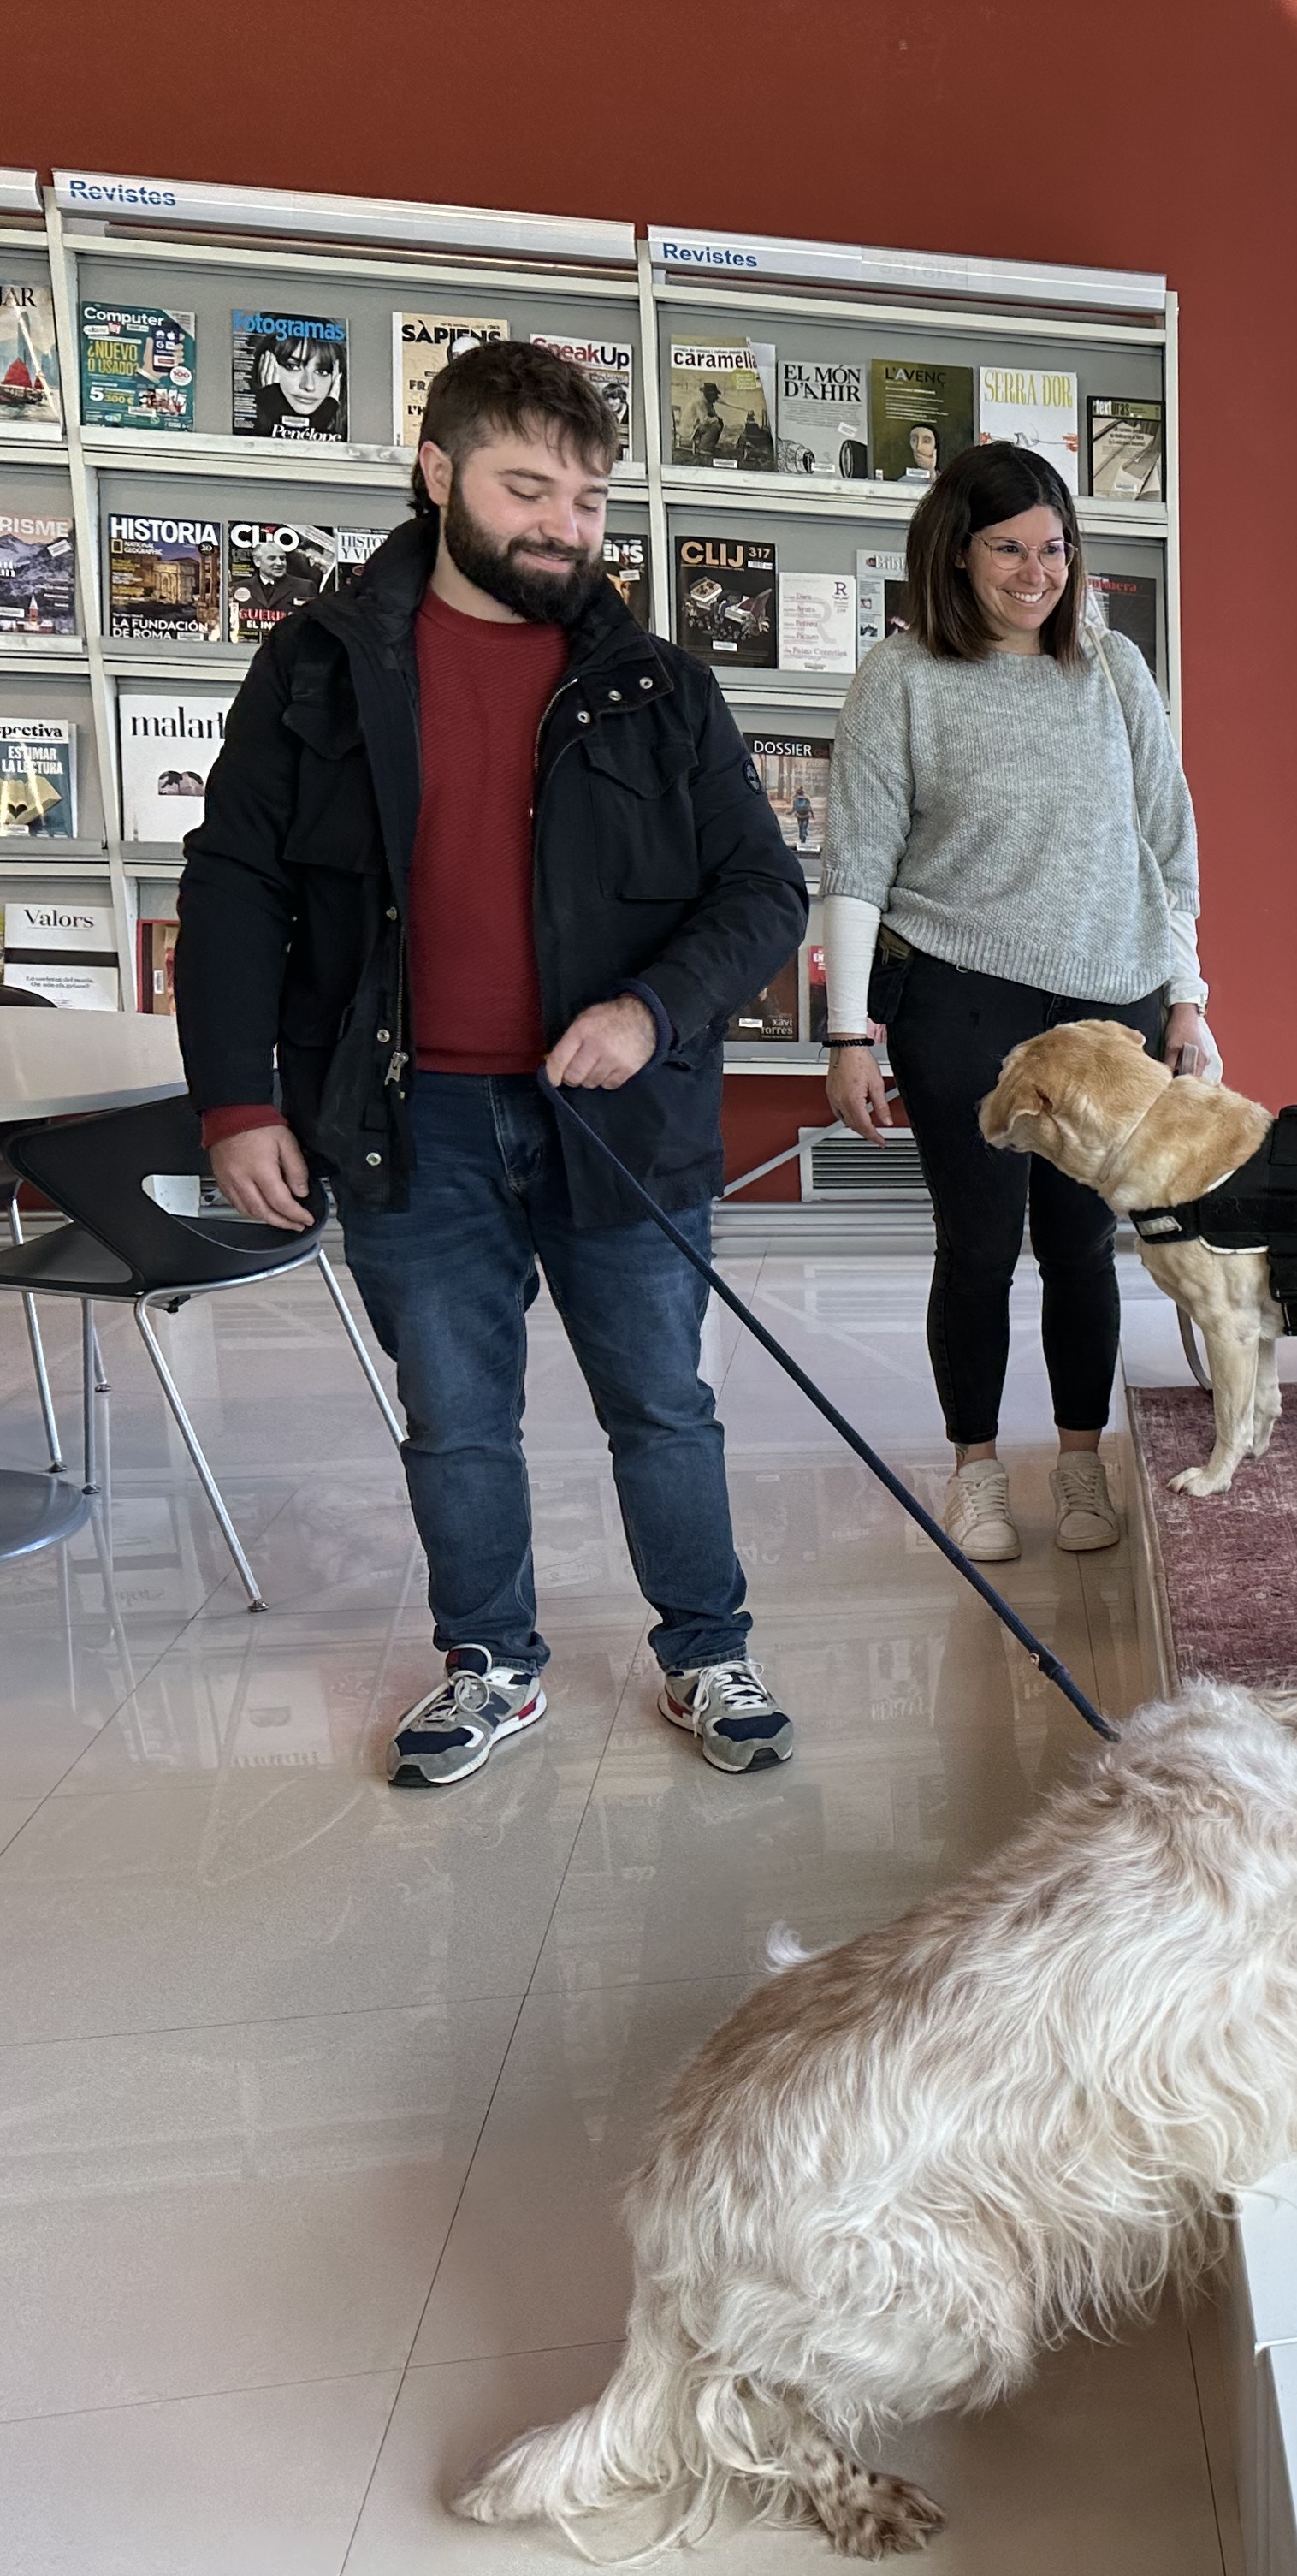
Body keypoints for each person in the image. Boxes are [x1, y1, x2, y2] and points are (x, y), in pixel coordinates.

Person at [181, 339, 808, 1787]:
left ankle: (708, 1649)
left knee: (662, 1401)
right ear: (437, 472)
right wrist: (236, 1099)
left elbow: (763, 892)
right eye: (528, 490)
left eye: (588, 501)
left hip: (620, 1118)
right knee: (457, 1419)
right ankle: (491, 1662)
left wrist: (652, 1010)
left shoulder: (660, 683)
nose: (562, 528)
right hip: (409, 1120)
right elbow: (235, 887)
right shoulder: (318, 667)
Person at [819, 438, 1209, 1564]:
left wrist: (1187, 999)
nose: (1037, 572)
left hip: (1112, 1000)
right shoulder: (901, 677)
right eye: (1008, 549)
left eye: (1055, 548)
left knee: (1084, 1247)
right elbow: (857, 862)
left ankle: (1081, 1463)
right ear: (956, 551)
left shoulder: (1114, 668)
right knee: (979, 1246)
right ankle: (977, 1472)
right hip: (961, 994)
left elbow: (1169, 847)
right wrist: (848, 1035)